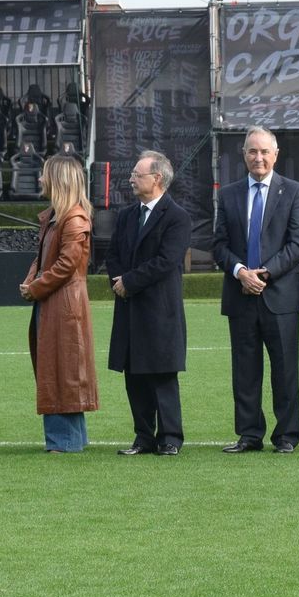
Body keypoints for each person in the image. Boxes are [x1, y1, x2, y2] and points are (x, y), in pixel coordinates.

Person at [211, 127, 299, 453]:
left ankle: (287, 436)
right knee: (245, 371)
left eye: (265, 151)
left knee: (285, 370)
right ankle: (250, 435)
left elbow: (297, 245)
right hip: (241, 296)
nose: (259, 157)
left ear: (276, 155)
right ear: (243, 154)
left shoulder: (294, 191)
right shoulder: (228, 194)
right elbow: (219, 245)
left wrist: (264, 274)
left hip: (280, 297)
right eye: (252, 151)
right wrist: (241, 272)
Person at [106, 151, 191, 456]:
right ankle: (143, 437)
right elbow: (113, 253)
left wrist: (129, 282)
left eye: (137, 174)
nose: (131, 179)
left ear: (156, 179)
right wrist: (118, 279)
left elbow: (166, 261)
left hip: (159, 310)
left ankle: (170, 437)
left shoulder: (177, 217)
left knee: (162, 375)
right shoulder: (127, 215)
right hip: (130, 308)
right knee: (135, 375)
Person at [20, 154, 99, 452]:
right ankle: (70, 438)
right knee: (58, 368)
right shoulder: (56, 217)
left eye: (44, 174)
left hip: (64, 305)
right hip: (55, 301)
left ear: (58, 180)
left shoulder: (73, 218)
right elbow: (43, 260)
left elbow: (67, 264)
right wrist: (31, 281)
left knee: (62, 369)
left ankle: (64, 441)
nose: (40, 179)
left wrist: (36, 287)